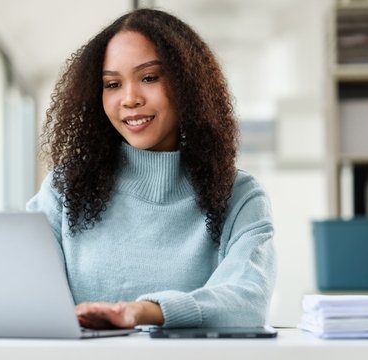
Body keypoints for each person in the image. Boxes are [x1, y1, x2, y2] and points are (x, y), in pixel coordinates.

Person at [26, 8, 276, 330]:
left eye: (149, 78)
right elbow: (25, 288)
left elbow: (248, 301)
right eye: (113, 84)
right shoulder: (64, 189)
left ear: (188, 86)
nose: (129, 99)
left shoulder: (240, 196)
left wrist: (143, 312)